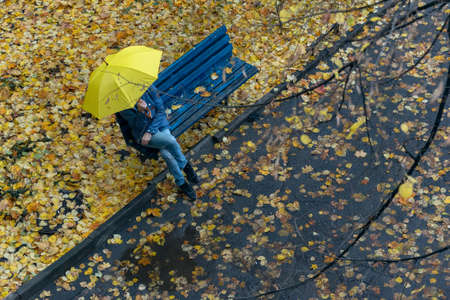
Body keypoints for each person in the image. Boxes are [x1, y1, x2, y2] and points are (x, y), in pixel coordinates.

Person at [118, 90, 199, 200]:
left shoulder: (147, 86)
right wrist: (140, 112)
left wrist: (151, 130)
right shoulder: (122, 104)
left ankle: (181, 182)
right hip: (143, 133)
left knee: (167, 154)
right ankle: (186, 167)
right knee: (170, 142)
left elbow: (160, 110)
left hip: (158, 125)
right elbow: (136, 126)